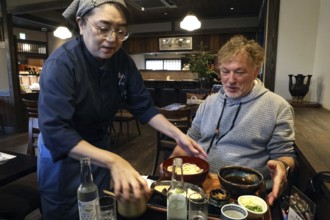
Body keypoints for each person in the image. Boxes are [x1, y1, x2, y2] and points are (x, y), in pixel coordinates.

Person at [37, 0, 206, 219]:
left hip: (98, 150)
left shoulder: (121, 61)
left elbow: (144, 106)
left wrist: (178, 135)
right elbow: (55, 132)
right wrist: (114, 161)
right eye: (103, 28)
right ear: (81, 24)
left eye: (120, 30)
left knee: (99, 208)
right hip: (63, 160)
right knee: (67, 210)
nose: (112, 39)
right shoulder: (61, 64)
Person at [167, 35, 296, 206]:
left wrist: (282, 165)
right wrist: (167, 169)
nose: (231, 80)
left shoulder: (277, 107)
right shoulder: (209, 103)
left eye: (240, 72)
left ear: (256, 71)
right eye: (225, 71)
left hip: (246, 193)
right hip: (201, 185)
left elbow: (285, 156)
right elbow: (189, 140)